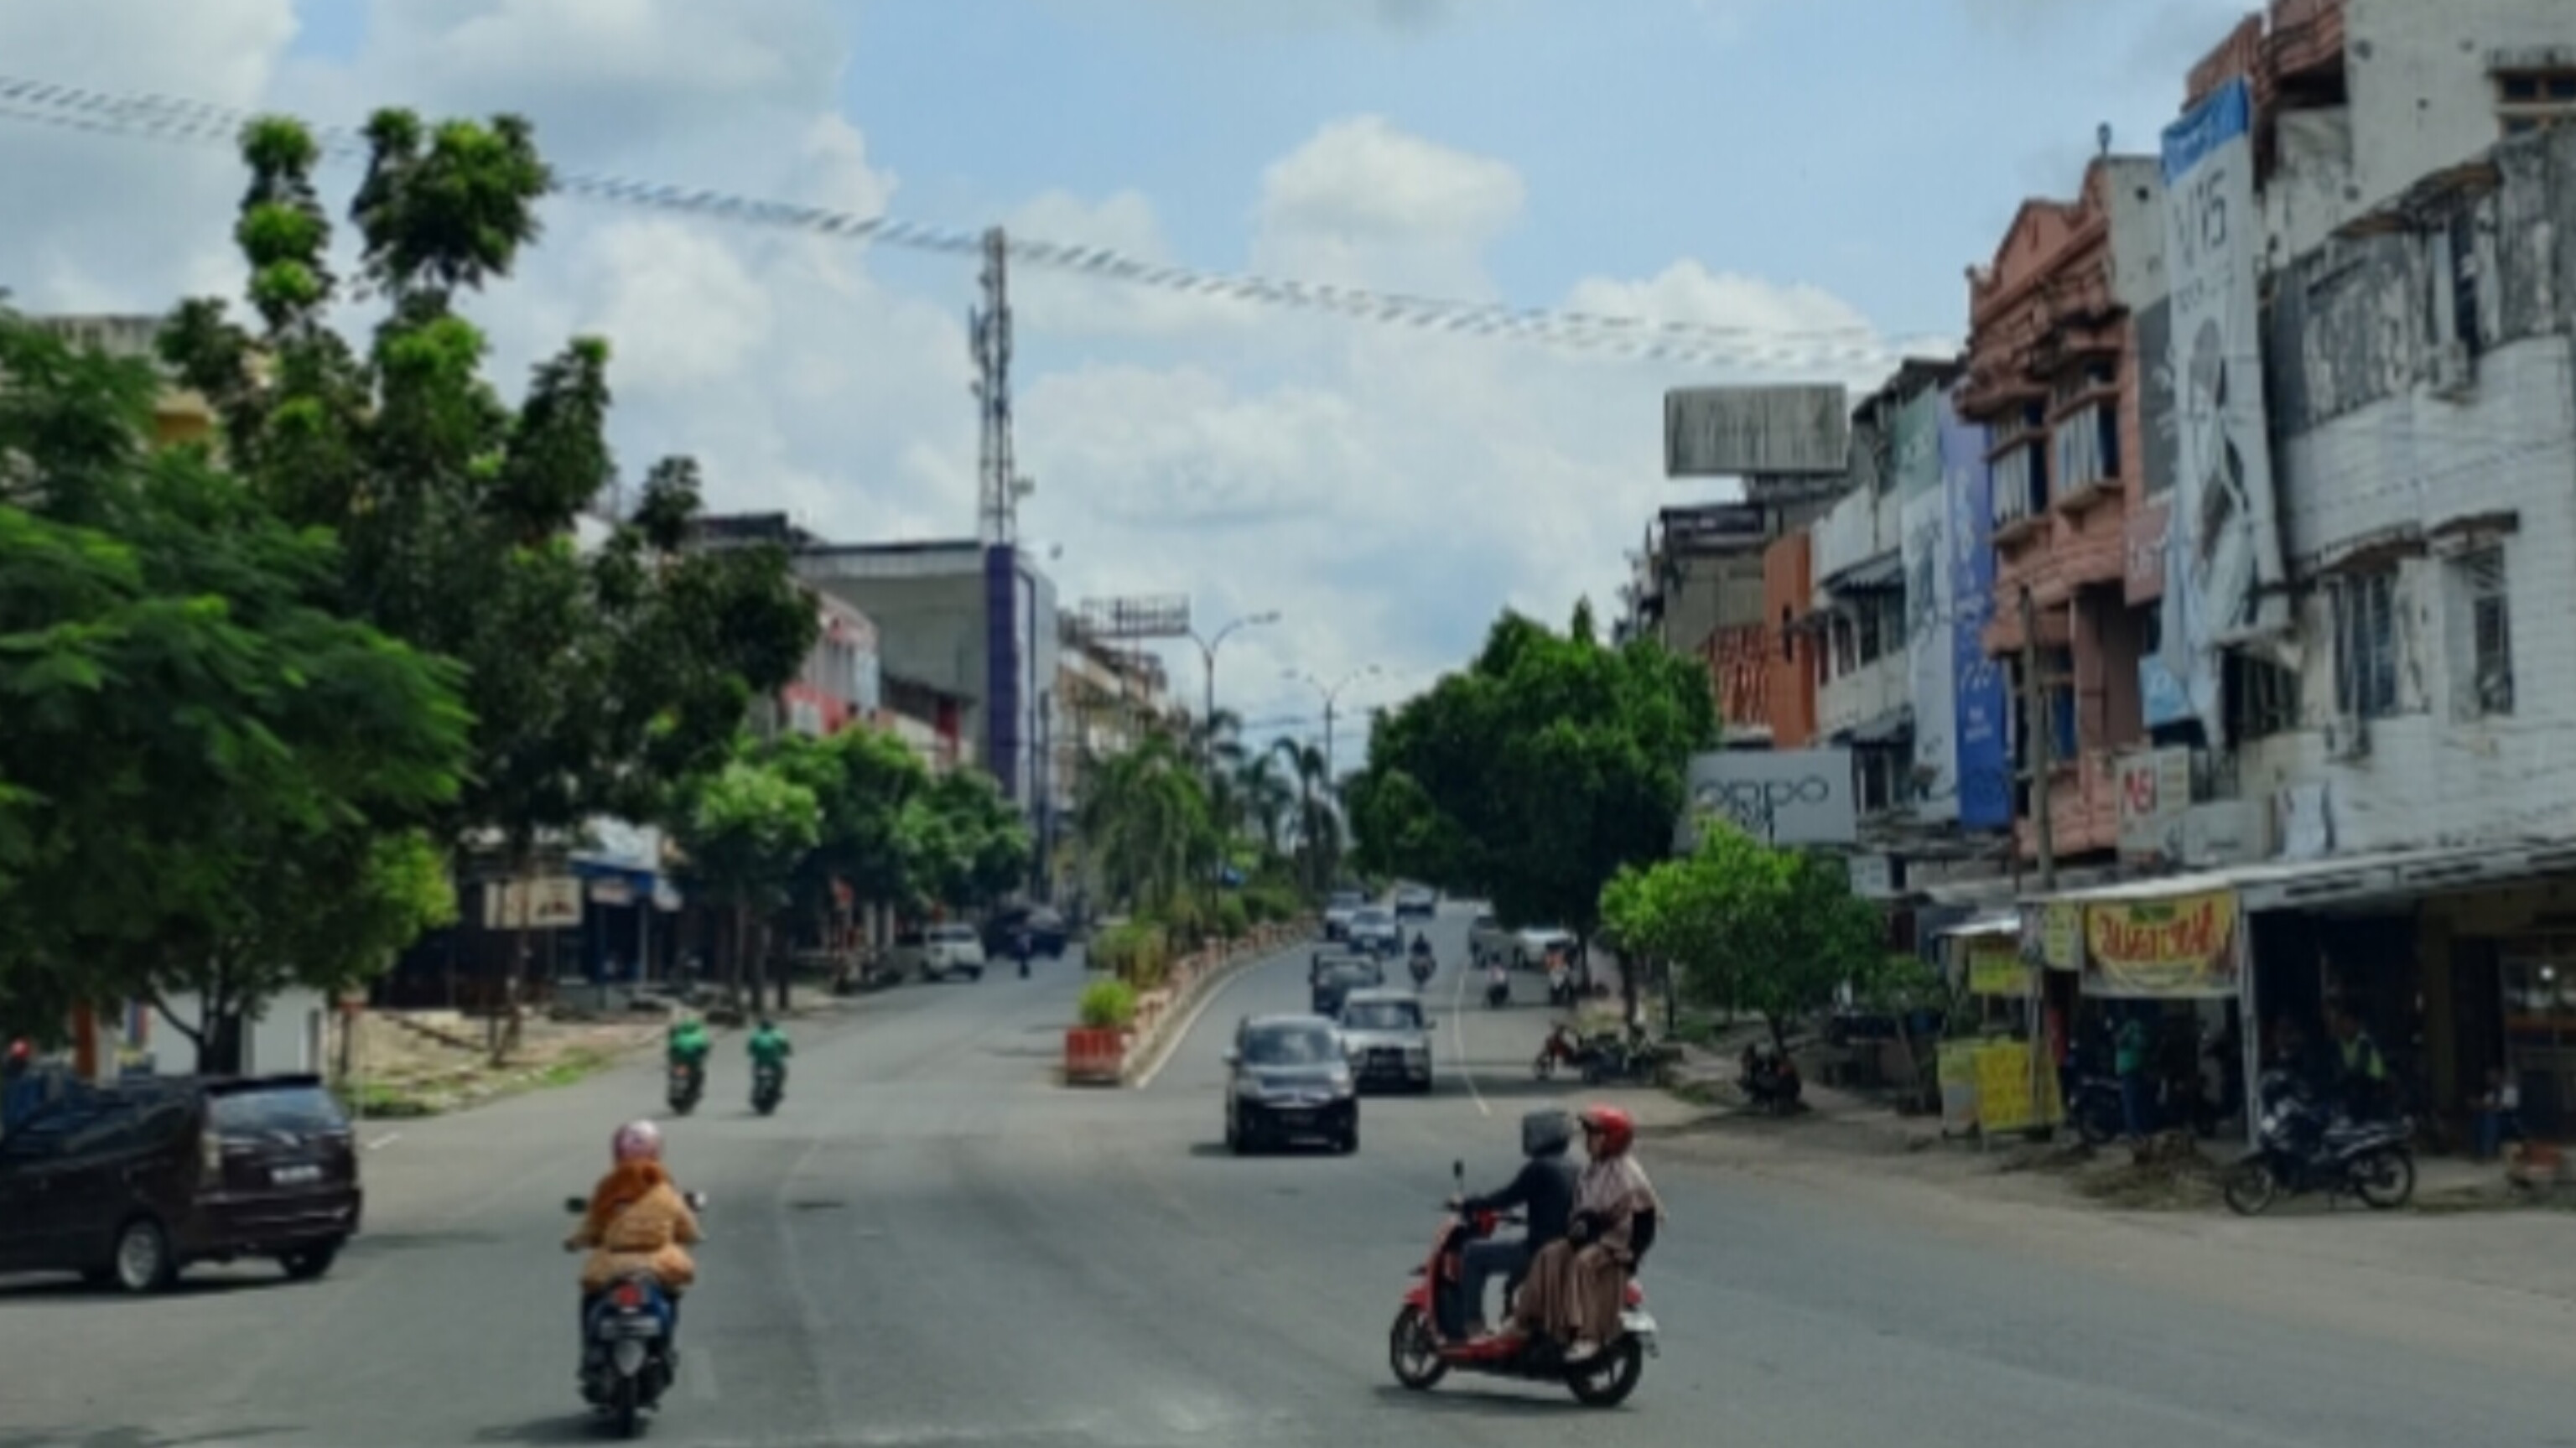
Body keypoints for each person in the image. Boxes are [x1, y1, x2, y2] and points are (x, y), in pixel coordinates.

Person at [1509, 1105, 1663, 1360]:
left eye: (1594, 1135)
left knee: (1584, 1264)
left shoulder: (1627, 1172)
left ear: (1610, 1139)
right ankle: (1526, 1321)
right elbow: (1584, 1210)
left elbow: (1645, 1217)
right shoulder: (1594, 1170)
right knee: (1549, 1253)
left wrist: (1633, 1254)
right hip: (1590, 1239)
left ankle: (1588, 1336)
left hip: (1615, 1244)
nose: (1587, 1141)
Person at [565, 1120, 702, 1376]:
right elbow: (686, 1227)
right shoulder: (665, 1191)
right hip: (659, 1263)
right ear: (656, 1152)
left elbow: (592, 1227)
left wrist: (574, 1242)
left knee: (591, 1297)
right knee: (672, 1294)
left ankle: (590, 1352)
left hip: (611, 1265)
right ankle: (666, 1347)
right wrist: (693, 1237)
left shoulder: (608, 1189)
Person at [1454, 1109, 1579, 1340]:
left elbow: (1507, 1197)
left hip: (1539, 1250)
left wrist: (1473, 1204)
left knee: (1472, 1254)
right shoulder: (1573, 1167)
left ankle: (1473, 1324)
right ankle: (1513, 1319)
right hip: (1565, 1247)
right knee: (1512, 1281)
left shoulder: (1539, 1168)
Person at [2329, 1006, 2390, 1121]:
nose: (2346, 1027)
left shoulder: (2366, 1044)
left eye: (2349, 1023)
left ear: (2357, 1024)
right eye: (2343, 1024)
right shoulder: (2333, 1046)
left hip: (2366, 1090)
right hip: (2342, 1093)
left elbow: (2377, 1074)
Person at [2113, 1012, 2152, 1140]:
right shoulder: (2138, 1028)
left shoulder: (2131, 1028)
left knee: (2130, 1102)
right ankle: (2136, 1130)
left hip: (2129, 1069)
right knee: (2134, 1101)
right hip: (2135, 1068)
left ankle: (2133, 1131)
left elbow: (2119, 1042)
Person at [746, 1016, 792, 1086]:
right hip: (774, 1058)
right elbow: (785, 1043)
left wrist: (751, 1053)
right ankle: (778, 1083)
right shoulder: (777, 1033)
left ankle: (758, 1080)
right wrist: (788, 1052)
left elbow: (750, 1047)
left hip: (760, 1059)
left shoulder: (756, 1034)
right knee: (781, 1071)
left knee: (756, 1068)